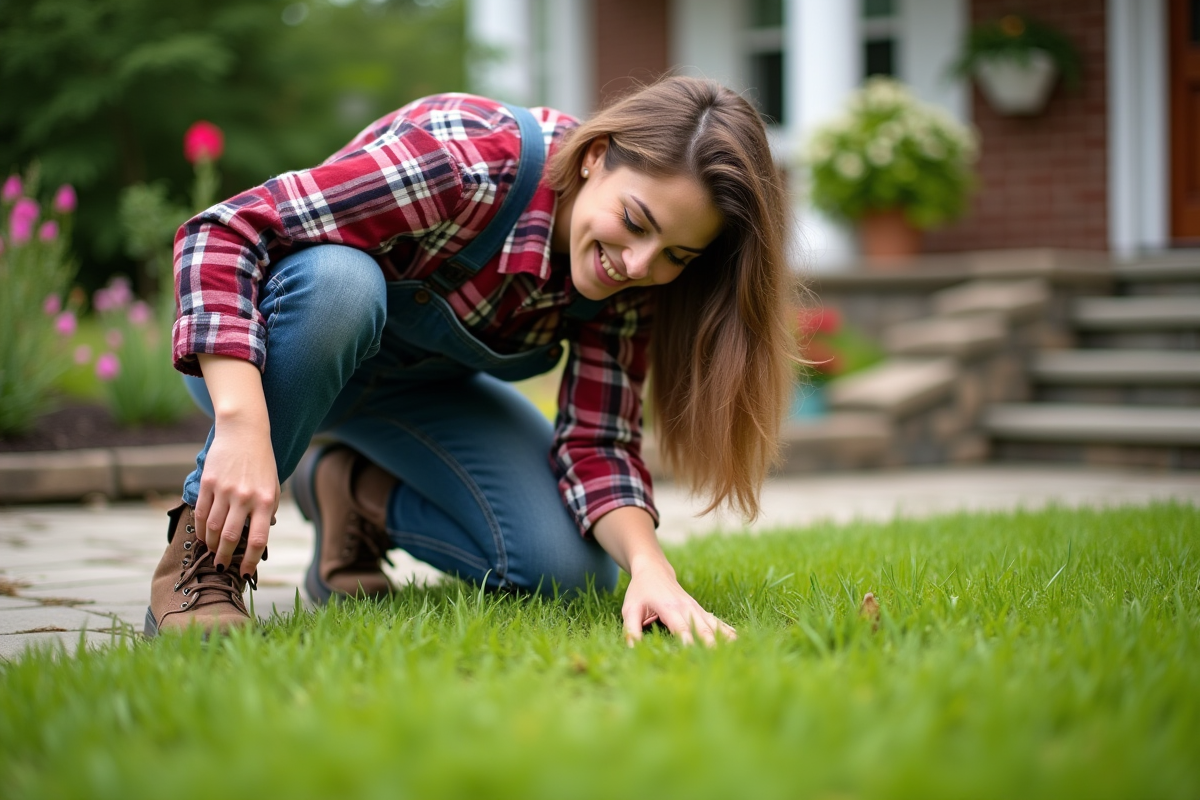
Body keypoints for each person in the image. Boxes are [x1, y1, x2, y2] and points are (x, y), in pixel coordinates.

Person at [144, 76, 796, 646]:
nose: (638, 265)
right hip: (269, 363)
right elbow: (225, 230)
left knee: (567, 572)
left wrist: (654, 572)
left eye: (676, 256)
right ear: (597, 157)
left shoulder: (632, 282)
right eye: (636, 221)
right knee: (343, 285)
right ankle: (203, 563)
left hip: (414, 396)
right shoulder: (469, 163)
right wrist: (241, 426)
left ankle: (355, 494)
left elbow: (599, 444)